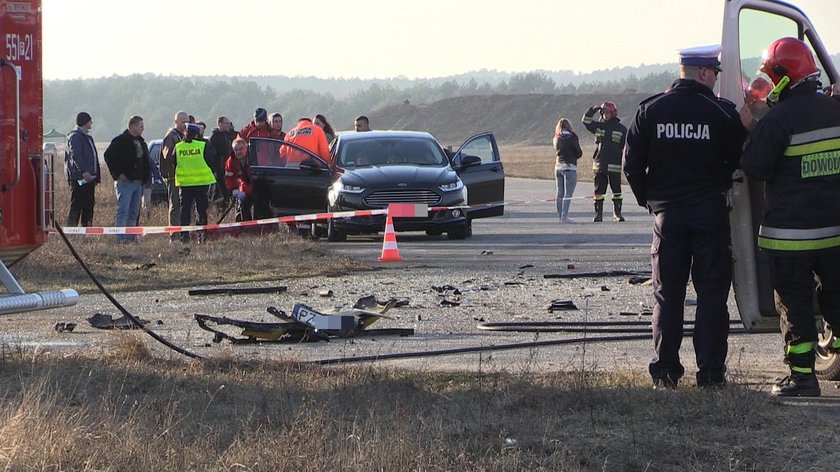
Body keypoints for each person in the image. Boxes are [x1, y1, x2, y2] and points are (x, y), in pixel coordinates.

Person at [623, 45, 747, 389]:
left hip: (668, 217)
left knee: (668, 295)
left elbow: (631, 165)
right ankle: (710, 375)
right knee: (711, 296)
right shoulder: (720, 113)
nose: (715, 81)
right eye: (715, 75)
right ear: (705, 73)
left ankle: (664, 373)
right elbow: (741, 158)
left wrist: (651, 201)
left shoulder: (651, 110)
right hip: (709, 216)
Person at [740, 37, 840, 397]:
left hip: (790, 236)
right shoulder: (835, 110)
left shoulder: (779, 120)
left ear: (783, 77)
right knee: (837, 299)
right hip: (835, 234)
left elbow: (754, 168)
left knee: (795, 306)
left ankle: (802, 377)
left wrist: (752, 128)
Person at [103, 115, 151, 243]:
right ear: (133, 126)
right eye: (141, 126)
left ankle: (131, 236)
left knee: (134, 212)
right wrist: (118, 173)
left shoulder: (141, 142)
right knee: (123, 210)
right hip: (125, 183)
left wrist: (146, 178)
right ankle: (120, 238)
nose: (143, 129)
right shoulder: (120, 140)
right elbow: (108, 155)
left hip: (138, 182)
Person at [582, 101, 627, 222]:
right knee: (599, 191)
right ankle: (598, 214)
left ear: (613, 113)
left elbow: (625, 148)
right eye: (603, 113)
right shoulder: (598, 126)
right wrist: (592, 109)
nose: (605, 115)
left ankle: (617, 214)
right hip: (599, 164)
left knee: (616, 191)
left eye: (608, 112)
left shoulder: (621, 129)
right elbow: (585, 121)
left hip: (615, 165)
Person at [174, 124, 217, 243]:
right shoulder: (203, 145)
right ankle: (201, 237)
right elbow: (212, 160)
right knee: (201, 210)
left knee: (185, 211)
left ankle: (184, 237)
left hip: (185, 184)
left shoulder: (178, 147)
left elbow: (173, 163)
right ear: (197, 134)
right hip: (201, 183)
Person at [64, 112, 100, 227]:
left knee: (89, 204)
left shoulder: (87, 137)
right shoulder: (75, 137)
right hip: (79, 178)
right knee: (77, 203)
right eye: (90, 121)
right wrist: (84, 172)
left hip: (89, 178)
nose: (91, 123)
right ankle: (72, 231)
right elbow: (76, 155)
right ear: (85, 122)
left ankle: (87, 229)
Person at [160, 111, 189, 240]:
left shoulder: (185, 135)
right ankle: (174, 235)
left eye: (187, 121)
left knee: (185, 206)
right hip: (173, 176)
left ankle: (184, 233)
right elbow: (168, 157)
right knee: (175, 206)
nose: (186, 124)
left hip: (184, 176)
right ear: (176, 122)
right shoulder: (171, 136)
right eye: (183, 122)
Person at [553, 118, 582, 224]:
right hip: (570, 167)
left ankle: (560, 215)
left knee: (559, 193)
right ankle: (564, 216)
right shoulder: (572, 137)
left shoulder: (557, 137)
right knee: (568, 194)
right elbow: (578, 153)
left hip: (558, 167)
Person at [224, 137, 254, 222]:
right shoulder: (231, 161)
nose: (238, 152)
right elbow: (229, 179)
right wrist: (236, 189)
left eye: (241, 149)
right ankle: (246, 224)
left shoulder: (253, 157)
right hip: (238, 188)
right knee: (243, 198)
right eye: (236, 150)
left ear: (246, 147)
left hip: (253, 185)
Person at [209, 116, 235, 207]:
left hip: (229, 167)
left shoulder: (228, 135)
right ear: (220, 124)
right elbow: (212, 156)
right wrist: (215, 169)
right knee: (222, 191)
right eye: (226, 123)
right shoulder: (214, 138)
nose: (229, 125)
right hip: (220, 169)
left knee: (230, 190)